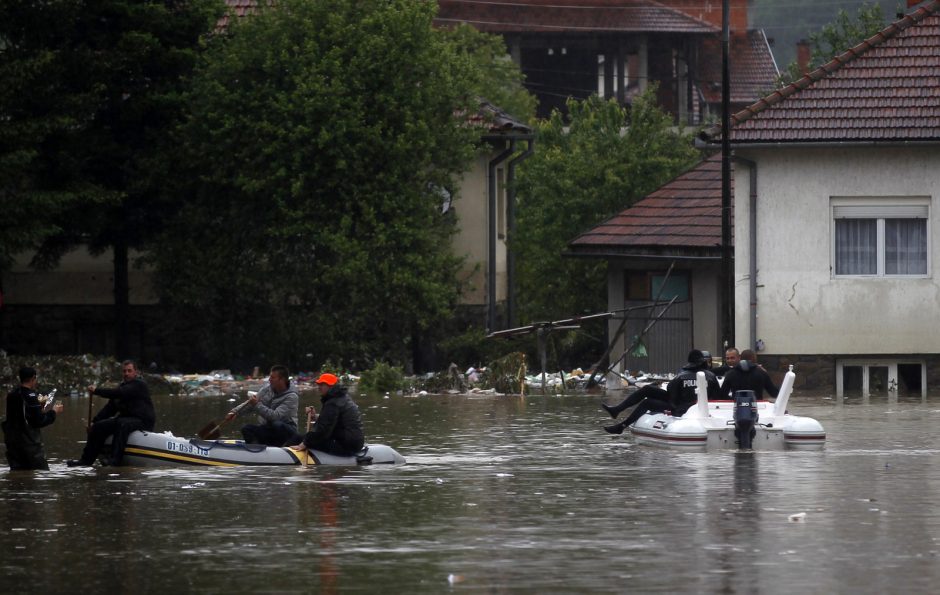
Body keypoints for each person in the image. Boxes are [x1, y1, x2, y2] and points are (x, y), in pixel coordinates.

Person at [604, 349, 720, 434]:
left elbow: (671, 394)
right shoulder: (711, 376)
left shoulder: (681, 376)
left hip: (682, 408)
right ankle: (617, 410)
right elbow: (718, 396)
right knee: (647, 389)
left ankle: (622, 425)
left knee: (647, 402)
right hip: (698, 406)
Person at [68, 360, 155, 467]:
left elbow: (119, 393)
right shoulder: (122, 387)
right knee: (98, 427)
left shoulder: (139, 385)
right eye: (124, 371)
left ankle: (114, 460)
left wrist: (97, 391)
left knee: (122, 424)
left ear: (135, 372)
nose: (126, 373)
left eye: (129, 371)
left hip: (143, 421)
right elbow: (109, 409)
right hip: (126, 419)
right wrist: (93, 422)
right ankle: (85, 461)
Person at [2, 367, 64, 470]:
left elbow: (22, 415)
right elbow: (38, 422)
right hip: (29, 445)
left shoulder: (12, 395)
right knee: (41, 473)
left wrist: (40, 408)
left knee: (18, 475)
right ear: (33, 378)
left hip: (12, 444)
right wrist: (54, 411)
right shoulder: (31, 396)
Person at [291, 372, 364, 456]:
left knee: (299, 438)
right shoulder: (342, 398)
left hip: (346, 445)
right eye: (319, 384)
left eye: (322, 385)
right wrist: (315, 417)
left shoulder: (333, 402)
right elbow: (333, 421)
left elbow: (323, 430)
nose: (319, 387)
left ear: (330, 386)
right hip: (354, 443)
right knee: (304, 437)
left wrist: (305, 443)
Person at [227, 364, 299, 447]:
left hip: (287, 432)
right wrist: (235, 412)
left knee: (277, 424)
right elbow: (251, 403)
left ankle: (280, 447)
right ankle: (256, 450)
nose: (269, 379)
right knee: (246, 428)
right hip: (269, 429)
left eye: (272, 377)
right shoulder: (266, 389)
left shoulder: (292, 396)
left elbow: (275, 416)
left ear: (282, 379)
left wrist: (257, 404)